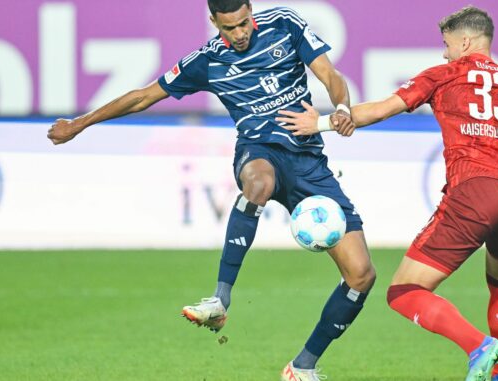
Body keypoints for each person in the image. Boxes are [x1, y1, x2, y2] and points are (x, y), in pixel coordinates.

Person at [47, 1, 376, 380]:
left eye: (243, 24)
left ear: (251, 11)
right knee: (259, 183)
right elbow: (142, 96)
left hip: (310, 163)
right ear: (213, 23)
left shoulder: (284, 23)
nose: (239, 34)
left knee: (361, 275)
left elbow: (329, 74)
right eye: (228, 28)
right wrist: (80, 124)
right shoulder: (206, 61)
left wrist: (340, 109)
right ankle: (221, 298)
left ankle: (303, 366)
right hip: (259, 151)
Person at [276, 6, 498, 381]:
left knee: (403, 291)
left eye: (447, 44)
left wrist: (320, 123)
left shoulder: (446, 74)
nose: (444, 53)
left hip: (474, 191)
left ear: (465, 41)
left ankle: (477, 345)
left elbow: (383, 110)